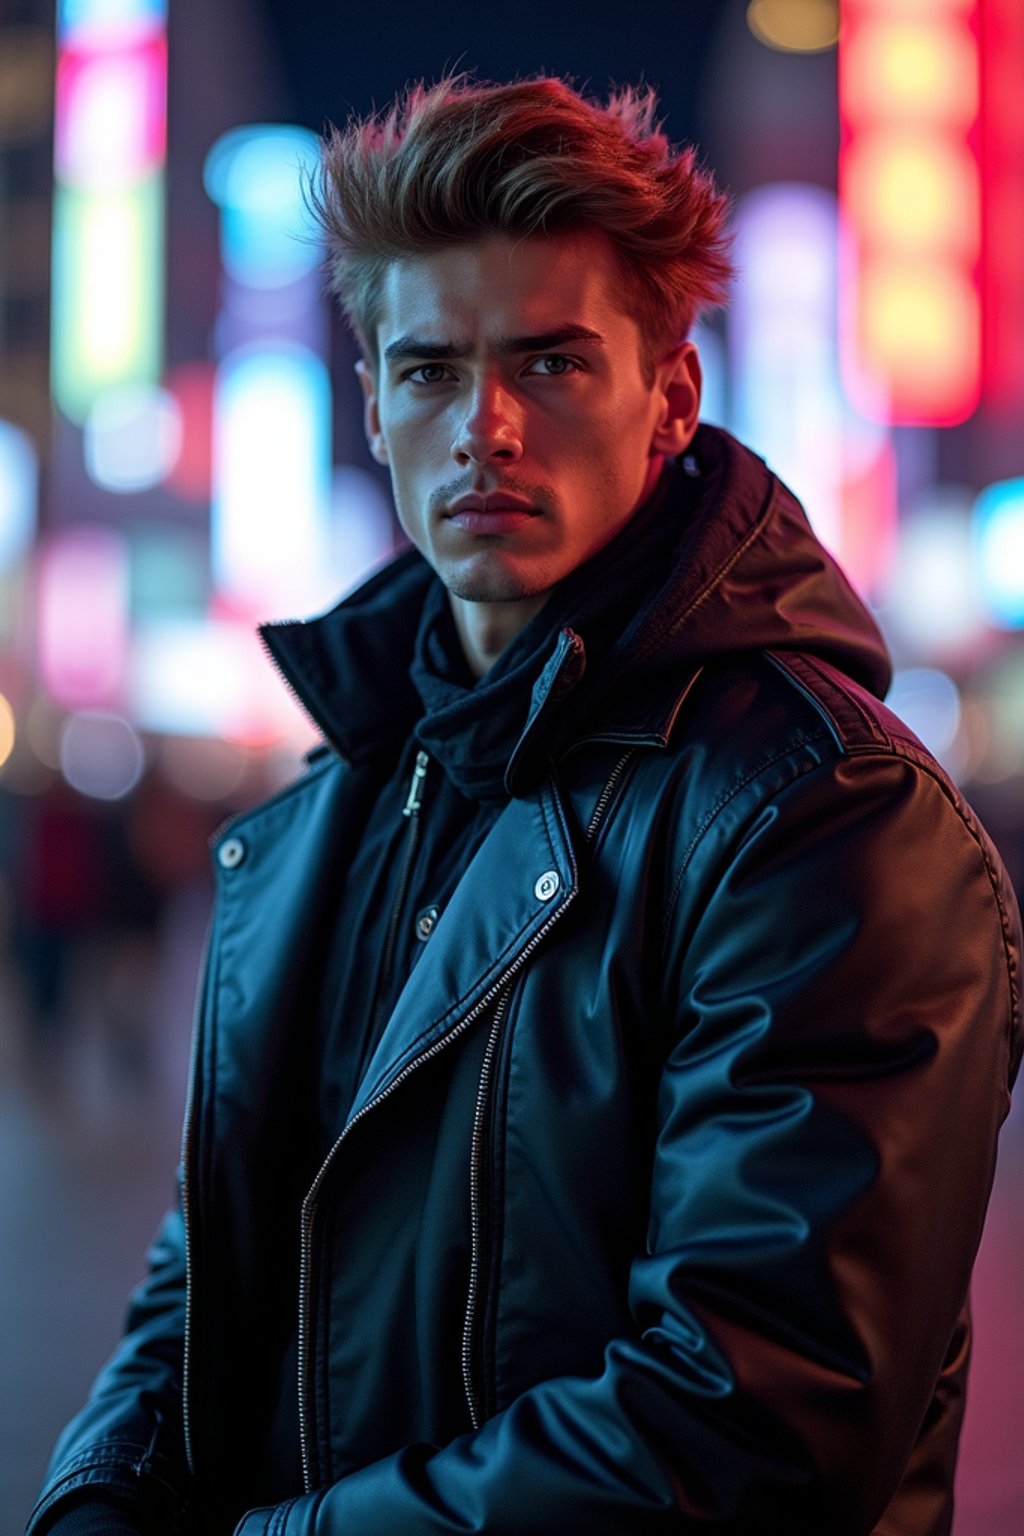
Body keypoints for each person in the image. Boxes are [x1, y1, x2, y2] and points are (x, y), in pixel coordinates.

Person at [28, 73, 1022, 1536]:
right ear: (368, 400)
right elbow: (212, 1268)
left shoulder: (825, 815)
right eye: (429, 370)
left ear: (670, 395)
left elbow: (754, 1423)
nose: (483, 427)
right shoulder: (349, 791)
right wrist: (96, 1501)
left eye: (550, 364)